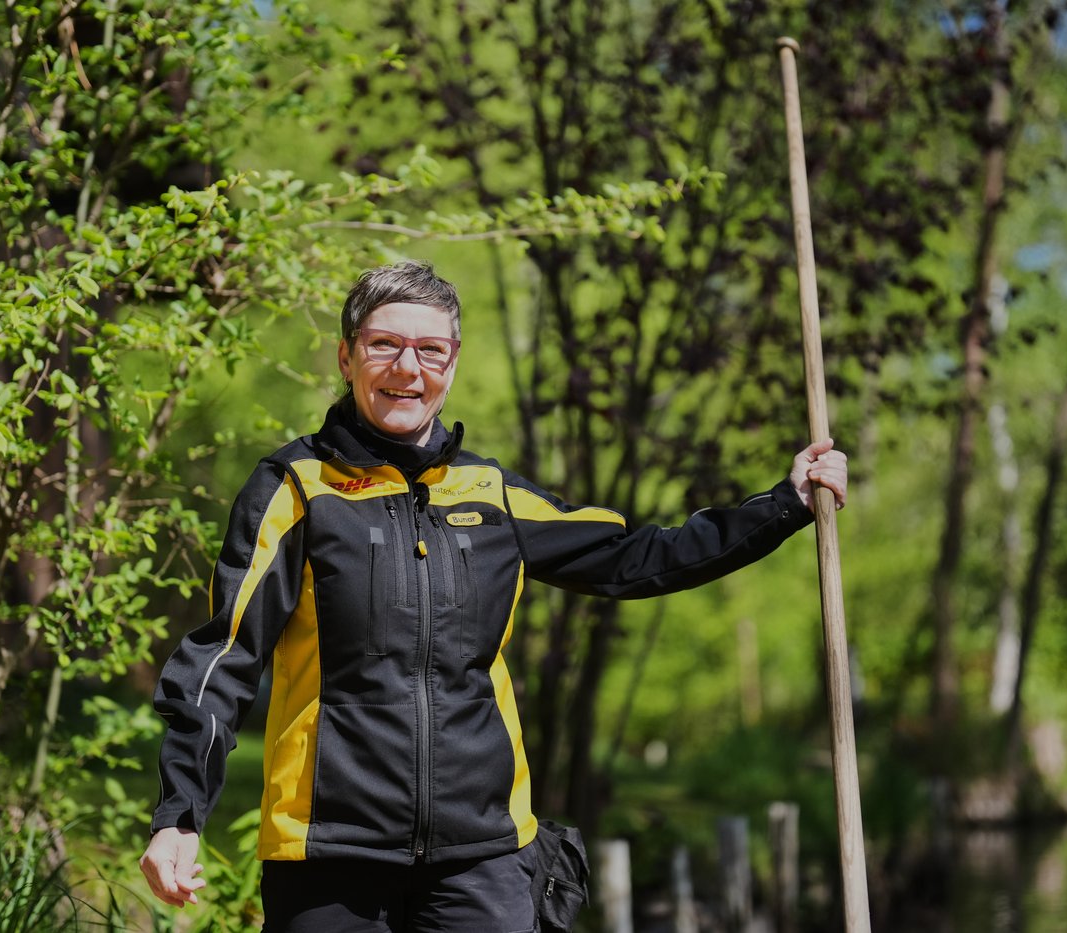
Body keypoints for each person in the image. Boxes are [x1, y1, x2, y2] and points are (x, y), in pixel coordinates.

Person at [139, 260, 849, 931]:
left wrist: (783, 503)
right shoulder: (295, 488)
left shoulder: (490, 495)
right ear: (345, 356)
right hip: (329, 853)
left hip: (483, 855)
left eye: (430, 350)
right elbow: (220, 660)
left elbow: (640, 558)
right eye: (384, 344)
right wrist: (179, 813)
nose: (407, 368)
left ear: (452, 362)